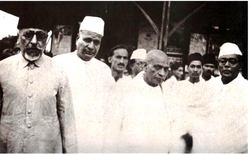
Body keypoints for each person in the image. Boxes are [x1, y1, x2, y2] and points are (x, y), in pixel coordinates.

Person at [0, 9, 77, 153]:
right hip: (10, 147)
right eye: (28, 35)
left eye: (41, 36)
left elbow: (67, 118)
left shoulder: (58, 70)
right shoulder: (2, 69)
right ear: (19, 36)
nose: (34, 42)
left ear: (47, 39)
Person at [103, 49, 190, 153]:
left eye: (166, 69)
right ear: (144, 66)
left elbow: (176, 129)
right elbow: (112, 132)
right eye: (157, 67)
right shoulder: (125, 90)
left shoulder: (169, 94)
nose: (162, 73)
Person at [53, 16, 115, 153]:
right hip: (65, 138)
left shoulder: (104, 70)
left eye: (96, 42)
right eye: (87, 40)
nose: (91, 46)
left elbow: (109, 109)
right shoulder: (58, 63)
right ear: (77, 39)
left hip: (95, 141)